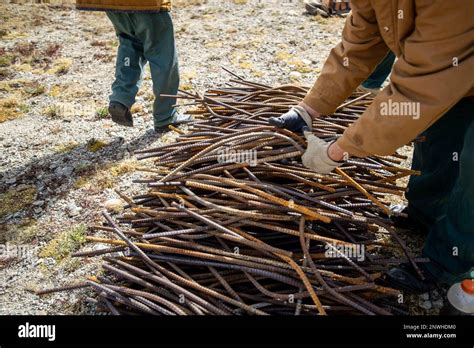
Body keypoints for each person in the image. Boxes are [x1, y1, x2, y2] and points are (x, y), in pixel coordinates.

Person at [269, 0, 474, 293]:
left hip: (452, 57)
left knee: (471, 168)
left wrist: (338, 150)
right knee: (439, 131)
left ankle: (449, 261)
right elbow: (360, 42)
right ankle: (424, 213)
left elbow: (419, 89)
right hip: (454, 62)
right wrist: (308, 109)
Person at [76, 0, 191, 132]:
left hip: (109, 3)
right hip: (147, 4)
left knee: (129, 42)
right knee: (162, 53)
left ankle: (120, 98)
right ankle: (165, 117)